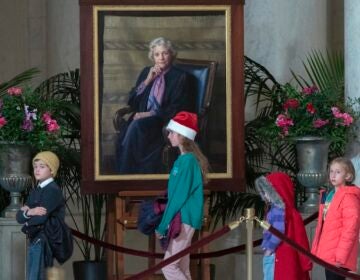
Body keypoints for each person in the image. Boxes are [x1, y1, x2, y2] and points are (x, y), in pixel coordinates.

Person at [116, 37, 194, 174]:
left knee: (135, 126)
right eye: (157, 54)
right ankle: (127, 175)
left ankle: (125, 173)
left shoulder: (180, 77)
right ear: (153, 57)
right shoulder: (147, 71)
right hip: (141, 120)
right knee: (126, 132)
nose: (161, 58)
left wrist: (148, 114)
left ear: (172, 55)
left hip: (162, 121)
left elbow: (176, 108)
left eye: (165, 53)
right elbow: (132, 102)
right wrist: (147, 81)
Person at [155, 111, 209, 280]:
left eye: (172, 132)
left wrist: (163, 225)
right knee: (182, 268)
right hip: (185, 217)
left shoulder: (187, 162)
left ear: (182, 135)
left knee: (169, 267)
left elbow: (178, 197)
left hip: (185, 218)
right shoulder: (184, 160)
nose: (169, 135)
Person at [16, 151, 65, 280]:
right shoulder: (36, 190)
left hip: (44, 240)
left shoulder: (52, 190)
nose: (37, 170)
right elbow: (18, 217)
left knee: (37, 276)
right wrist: (30, 212)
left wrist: (27, 218)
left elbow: (41, 218)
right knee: (34, 275)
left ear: (52, 170)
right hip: (36, 238)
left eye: (42, 166)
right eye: (35, 166)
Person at [255, 172, 312, 280]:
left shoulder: (278, 211)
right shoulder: (282, 211)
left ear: (277, 192)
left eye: (268, 192)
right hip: (280, 254)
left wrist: (269, 249)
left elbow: (278, 232)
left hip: (276, 255)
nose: (265, 195)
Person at [311, 157, 360, 280]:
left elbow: (350, 230)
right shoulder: (330, 195)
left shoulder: (349, 197)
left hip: (338, 256)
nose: (333, 175)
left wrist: (340, 257)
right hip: (329, 252)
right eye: (331, 171)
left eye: (338, 172)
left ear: (348, 176)